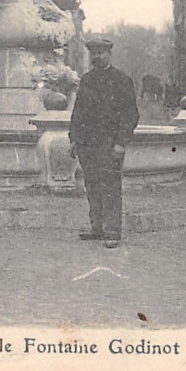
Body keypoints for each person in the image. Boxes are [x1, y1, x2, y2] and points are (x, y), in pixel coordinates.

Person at [68, 35, 139, 249]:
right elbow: (78, 113)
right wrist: (74, 139)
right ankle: (96, 227)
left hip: (109, 144)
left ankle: (112, 231)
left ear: (109, 54)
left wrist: (121, 142)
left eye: (100, 53)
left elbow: (130, 115)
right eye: (93, 53)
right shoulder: (87, 80)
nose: (96, 57)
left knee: (110, 187)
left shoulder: (121, 80)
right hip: (88, 144)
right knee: (92, 186)